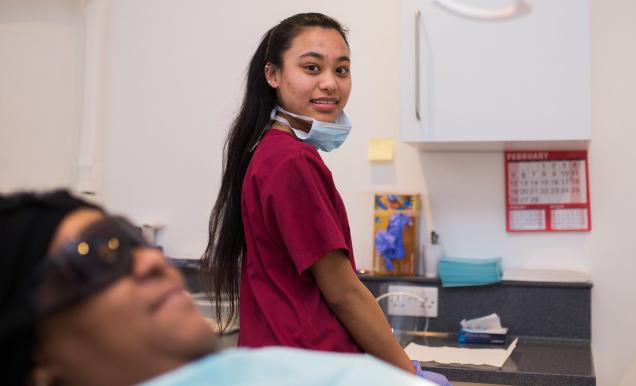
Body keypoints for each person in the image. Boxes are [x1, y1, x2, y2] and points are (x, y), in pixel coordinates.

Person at [201, 12, 450, 385]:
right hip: (309, 364)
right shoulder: (291, 160)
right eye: (312, 67)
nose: (330, 84)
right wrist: (407, 374)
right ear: (272, 75)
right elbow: (343, 292)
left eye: (342, 70)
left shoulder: (268, 151)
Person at [0, 190, 436, 386]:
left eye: (131, 240)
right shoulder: (288, 162)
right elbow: (343, 290)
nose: (152, 260)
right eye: (98, 256)